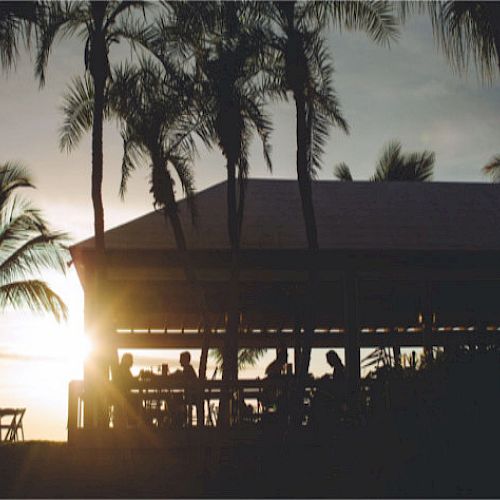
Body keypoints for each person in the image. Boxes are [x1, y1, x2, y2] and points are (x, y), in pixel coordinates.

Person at [113, 353, 137, 428]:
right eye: (131, 360)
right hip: (123, 394)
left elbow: (130, 381)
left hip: (123, 394)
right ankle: (132, 422)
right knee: (135, 400)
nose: (132, 362)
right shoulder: (124, 369)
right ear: (126, 360)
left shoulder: (123, 368)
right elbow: (130, 382)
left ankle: (130, 422)